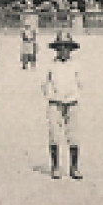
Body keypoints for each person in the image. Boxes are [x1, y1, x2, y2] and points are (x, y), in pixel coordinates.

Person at [41, 32, 83, 179]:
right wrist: (52, 96)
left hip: (72, 103)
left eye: (66, 47)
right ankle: (55, 166)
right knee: (54, 134)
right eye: (60, 47)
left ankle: (74, 167)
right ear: (56, 49)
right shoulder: (51, 65)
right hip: (55, 103)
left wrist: (73, 95)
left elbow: (81, 83)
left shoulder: (76, 65)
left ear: (70, 49)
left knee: (73, 135)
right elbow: (45, 84)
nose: (63, 50)